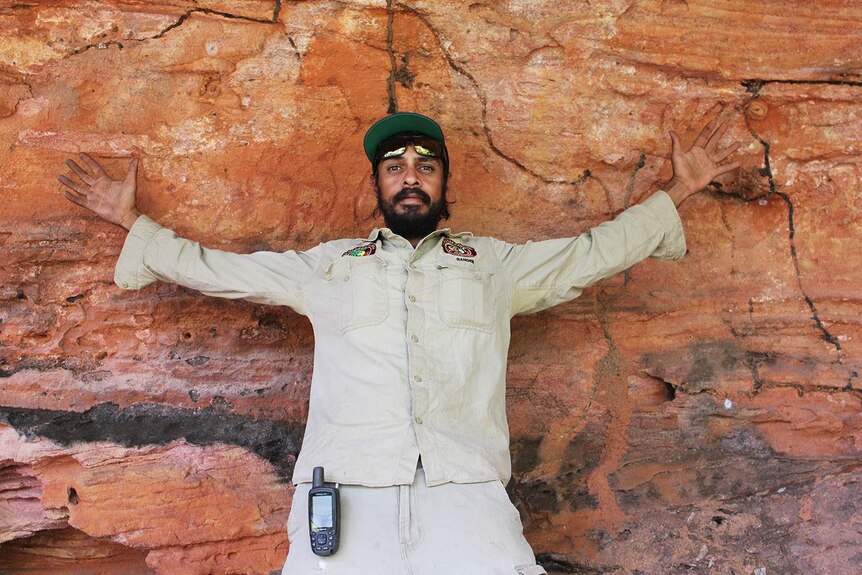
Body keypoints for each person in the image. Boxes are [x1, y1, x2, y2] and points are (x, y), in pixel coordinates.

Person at [58, 111, 741, 574]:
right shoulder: (329, 266)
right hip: (347, 497)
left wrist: (679, 189)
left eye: (424, 164)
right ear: (378, 185)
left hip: (464, 492)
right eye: (394, 165)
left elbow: (591, 253)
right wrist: (132, 222)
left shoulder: (494, 266)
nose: (409, 173)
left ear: (445, 184)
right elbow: (223, 271)